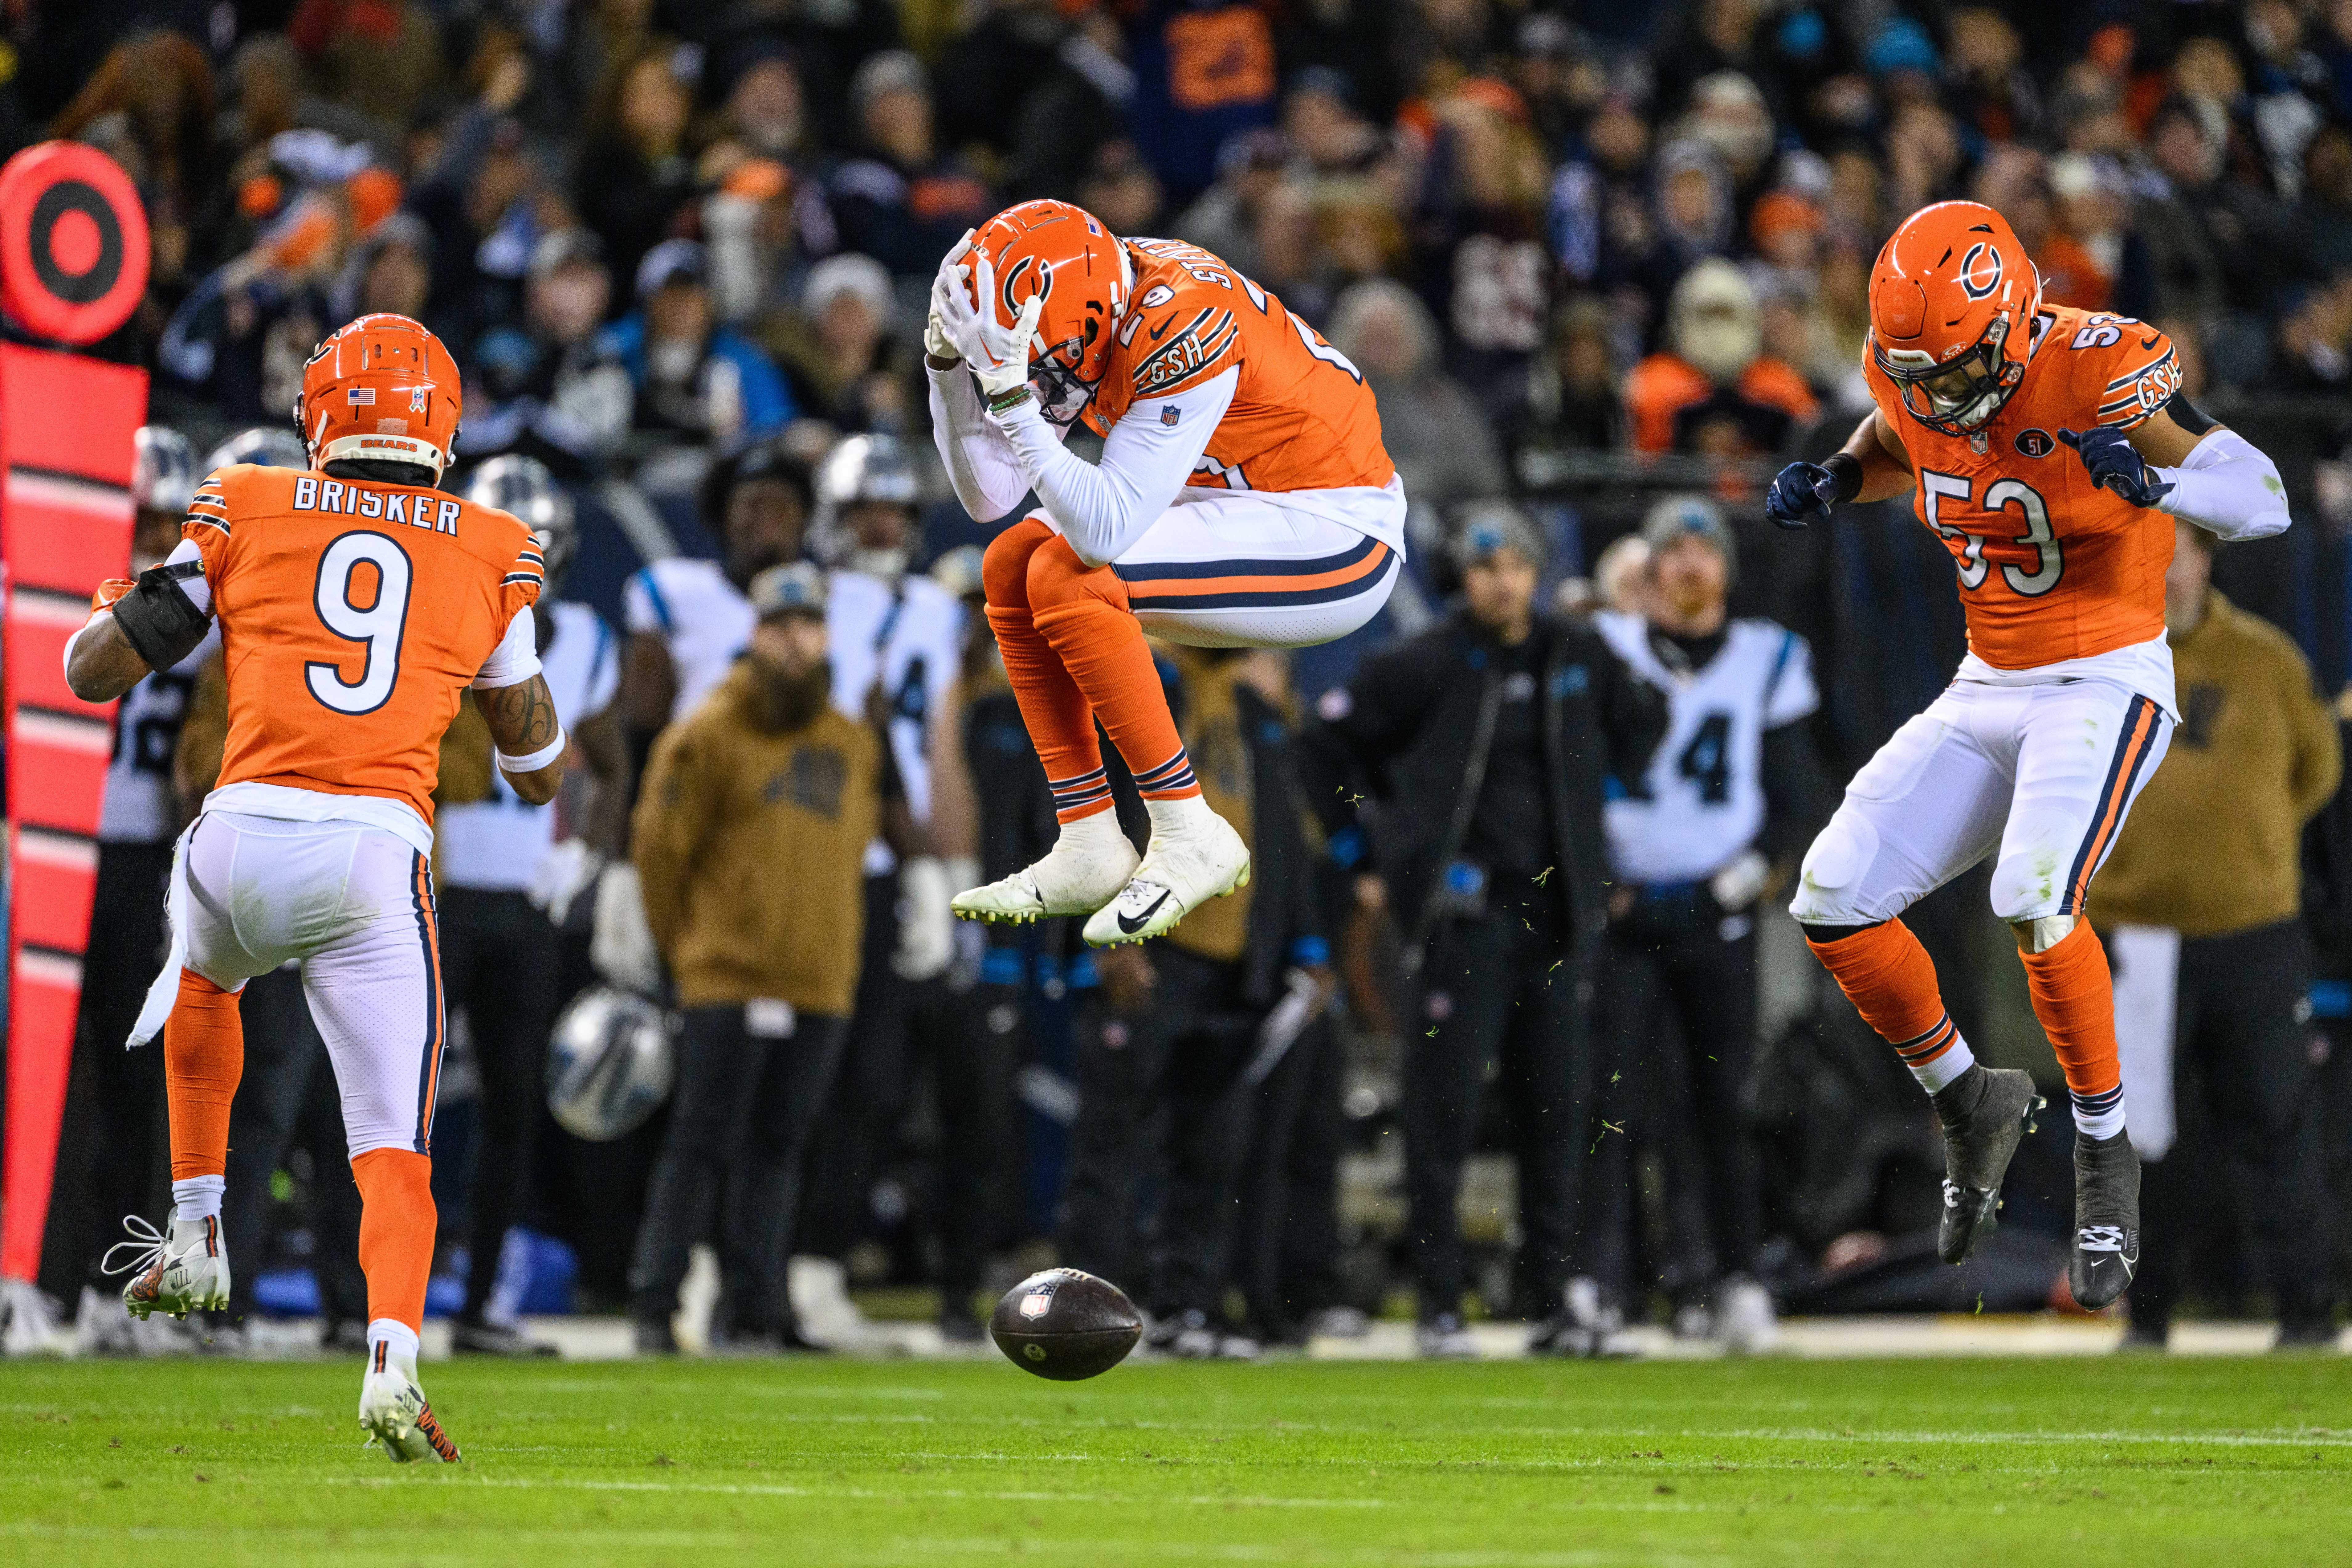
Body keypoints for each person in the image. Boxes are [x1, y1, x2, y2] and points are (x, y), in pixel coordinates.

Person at [1766, 200, 2293, 1312]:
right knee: (1831, 895)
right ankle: (1970, 1098)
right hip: (1986, 677)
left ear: (2013, 317)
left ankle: (2104, 1154)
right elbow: (1897, 440)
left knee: (2032, 888)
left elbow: (2263, 495)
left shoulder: (2099, 363)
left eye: (1955, 366)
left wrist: (2162, 484)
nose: (1939, 393)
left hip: (2105, 675)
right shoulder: (1912, 368)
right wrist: (1835, 477)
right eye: (1918, 371)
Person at [64, 313, 563, 1460]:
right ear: (443, 424)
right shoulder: (491, 545)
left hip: (236, 836)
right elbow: (537, 772)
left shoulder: (244, 500)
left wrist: (115, 604)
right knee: (392, 1144)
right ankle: (391, 1362)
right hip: (371, 856)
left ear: (317, 418)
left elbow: (91, 671)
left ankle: (196, 1233)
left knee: (204, 977)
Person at [929, 198, 1406, 948]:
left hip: (1336, 532)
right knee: (1012, 562)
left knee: (1067, 574)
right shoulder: (1091, 300)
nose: (1043, 387)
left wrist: (1015, 398)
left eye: (1040, 366)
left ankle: (1187, 828)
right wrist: (947, 371)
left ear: (1080, 322)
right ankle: (1090, 833)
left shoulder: (1180, 319)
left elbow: (1102, 529)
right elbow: (989, 497)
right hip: (1244, 498)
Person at [1298, 506, 1663, 1356]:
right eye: (1485, 567)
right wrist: (1367, 856)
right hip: (1461, 918)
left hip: (1555, 920)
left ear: (1536, 573)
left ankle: (1556, 1303)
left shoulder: (1575, 650)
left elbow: (1643, 723)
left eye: (1516, 567)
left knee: (1558, 1112)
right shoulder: (1424, 663)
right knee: (1443, 1113)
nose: (1502, 583)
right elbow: (1324, 746)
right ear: (1462, 577)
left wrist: (1590, 821)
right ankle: (1438, 1306)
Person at [625, 563, 907, 1353]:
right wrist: (686, 953)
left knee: (782, 1147)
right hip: (725, 972)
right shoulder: (709, 730)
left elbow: (852, 855)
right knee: (701, 1141)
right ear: (753, 636)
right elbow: (659, 853)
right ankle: (657, 1304)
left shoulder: (850, 740)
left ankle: (758, 1309)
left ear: (825, 636)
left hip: (818, 979)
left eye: (808, 625)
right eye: (779, 627)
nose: (795, 642)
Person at [1585, 495, 1822, 1354]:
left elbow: (1794, 803)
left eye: (1704, 551)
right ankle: (1602, 1284)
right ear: (1646, 569)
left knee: (1723, 1102)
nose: (1689, 566)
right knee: (1610, 1105)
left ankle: (1735, 1277)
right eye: (1672, 551)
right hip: (1618, 908)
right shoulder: (1605, 649)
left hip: (1716, 911)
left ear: (1726, 567)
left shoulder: (1768, 659)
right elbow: (1573, 771)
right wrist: (1600, 880)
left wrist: (1729, 889)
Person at [2095, 522, 2340, 1347]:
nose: (2168, 569)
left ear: (2206, 559)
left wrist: (2249, 852)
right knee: (2146, 1136)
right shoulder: (2095, 659)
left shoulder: (2267, 661)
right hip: (2138, 939)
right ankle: (2147, 1312)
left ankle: (2307, 1311)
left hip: (2253, 933)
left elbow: (2317, 770)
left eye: (2181, 550)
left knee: (2278, 1122)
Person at [432, 456, 628, 1356]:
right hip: (432, 885)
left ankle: (479, 1307)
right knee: (390, 1100)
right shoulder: (432, 613)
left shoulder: (584, 635)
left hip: (527, 900)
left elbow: (611, 759)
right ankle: (351, 1303)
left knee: (511, 1107)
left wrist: (587, 846)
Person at [64, 427, 214, 1356]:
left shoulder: (199, 617)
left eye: (165, 515)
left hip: (149, 858)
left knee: (133, 1080)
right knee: (57, 1081)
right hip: (61, 852)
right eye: (141, 512)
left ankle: (104, 1281)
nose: (150, 530)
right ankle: (49, 1279)